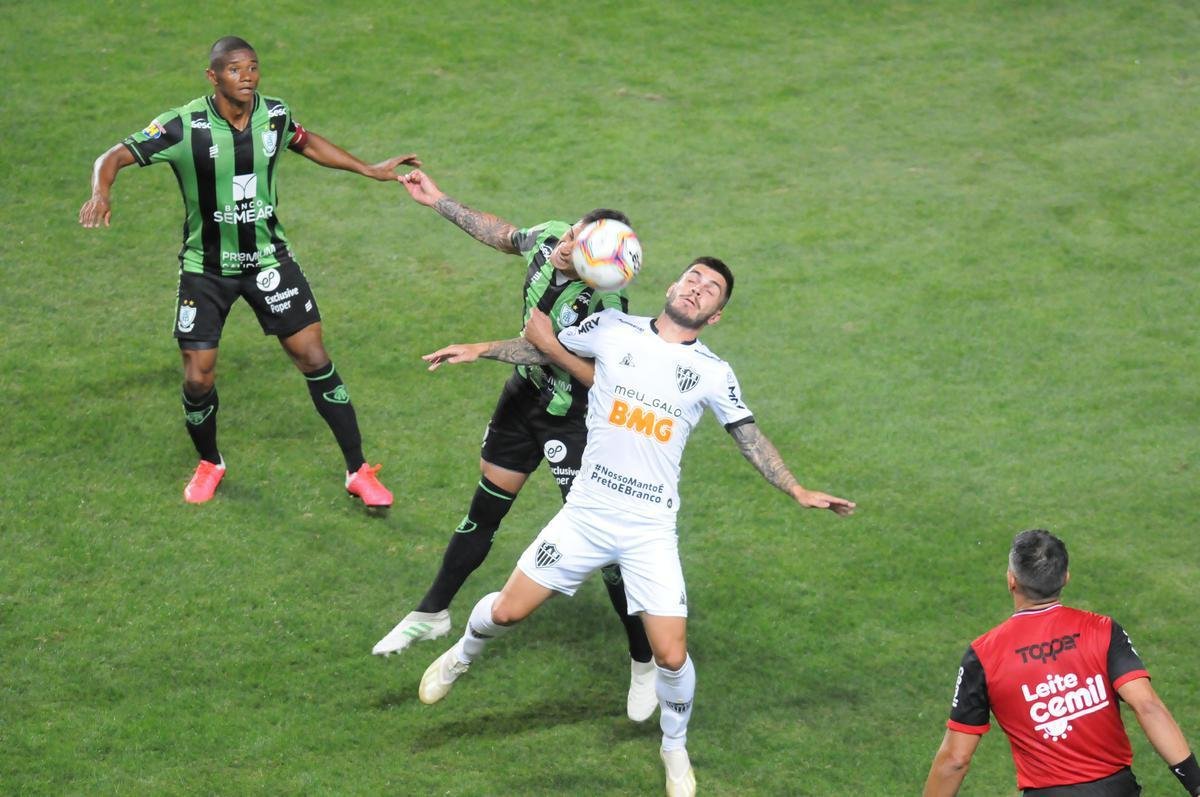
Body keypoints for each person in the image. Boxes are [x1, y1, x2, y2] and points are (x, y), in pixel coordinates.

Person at [415, 258, 855, 797]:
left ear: (716, 316)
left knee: (671, 654)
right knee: (507, 611)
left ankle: (674, 747)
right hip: (587, 515)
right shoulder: (611, 328)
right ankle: (461, 655)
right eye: (693, 278)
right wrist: (479, 349)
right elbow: (543, 348)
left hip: (649, 528)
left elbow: (749, 436)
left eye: (711, 289)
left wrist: (796, 488)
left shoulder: (714, 374)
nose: (697, 289)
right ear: (672, 286)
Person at [371, 169, 659, 718]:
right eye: (574, 232)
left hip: (574, 423)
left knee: (604, 548)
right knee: (484, 509)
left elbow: (547, 349)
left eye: (577, 247)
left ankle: (643, 658)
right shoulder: (553, 236)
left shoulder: (603, 310)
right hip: (522, 405)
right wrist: (438, 202)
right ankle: (432, 613)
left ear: (596, 269)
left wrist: (480, 348)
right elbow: (506, 235)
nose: (566, 245)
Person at [78, 36, 414, 506]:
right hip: (206, 268)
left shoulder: (273, 114)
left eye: (253, 67)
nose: (248, 77)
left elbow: (306, 140)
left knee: (315, 358)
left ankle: (358, 470)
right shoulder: (182, 126)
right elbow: (111, 157)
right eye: (235, 70)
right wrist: (102, 192)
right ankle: (210, 462)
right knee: (198, 378)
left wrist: (370, 169)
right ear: (213, 77)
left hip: (267, 260)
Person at [923, 529, 1200, 797]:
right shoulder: (1102, 630)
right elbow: (1147, 705)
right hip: (1118, 790)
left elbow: (956, 759)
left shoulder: (983, 656)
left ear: (1011, 580)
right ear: (1066, 577)